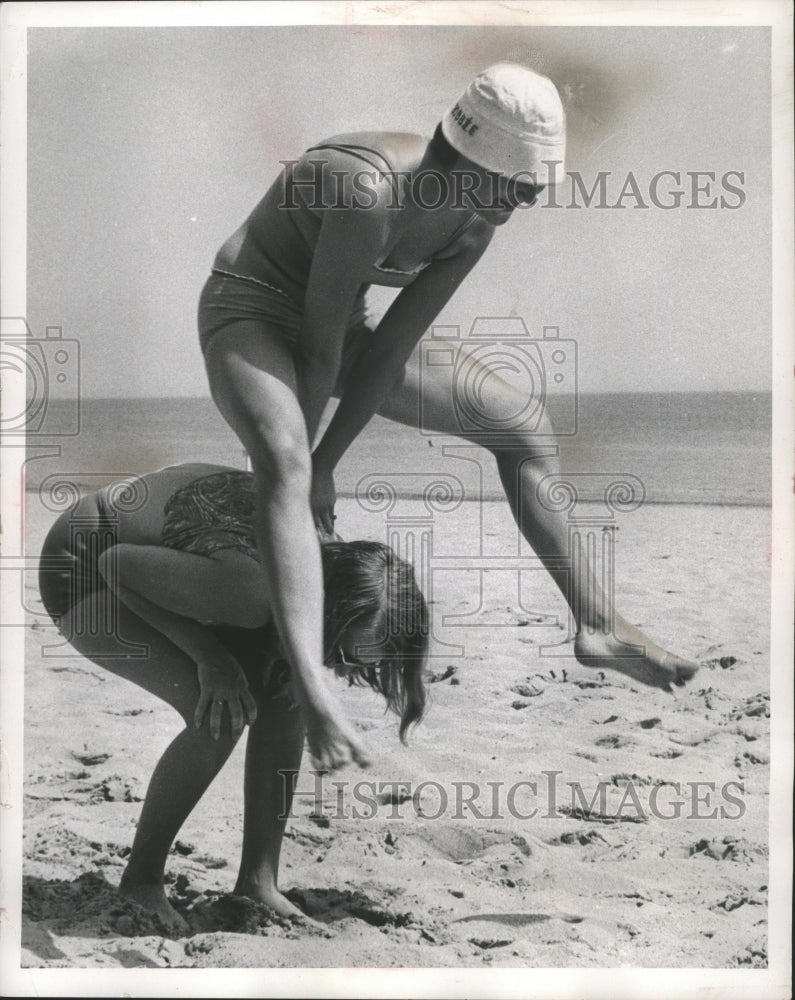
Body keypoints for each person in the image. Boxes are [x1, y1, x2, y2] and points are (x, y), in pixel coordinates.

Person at [199, 62, 699, 772]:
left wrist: (333, 465)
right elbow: (312, 353)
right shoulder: (365, 188)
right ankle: (313, 691)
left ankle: (596, 623)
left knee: (521, 427)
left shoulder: (472, 223)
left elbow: (378, 353)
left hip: (337, 332)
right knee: (282, 460)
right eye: (523, 184)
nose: (528, 200)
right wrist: (311, 473)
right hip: (249, 311)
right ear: (476, 161)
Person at [37, 462, 429, 933]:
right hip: (86, 559)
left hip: (186, 566)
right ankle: (140, 880)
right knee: (218, 711)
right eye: (346, 655)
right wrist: (209, 656)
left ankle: (258, 881)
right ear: (329, 612)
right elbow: (116, 565)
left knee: (286, 697)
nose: (349, 671)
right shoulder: (248, 592)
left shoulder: (323, 559)